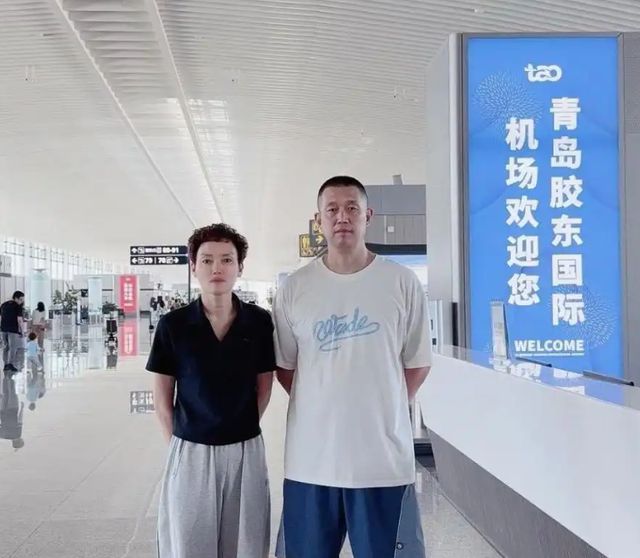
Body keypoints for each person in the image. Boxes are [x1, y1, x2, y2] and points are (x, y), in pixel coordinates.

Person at [273, 176, 433, 558]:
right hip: (311, 463)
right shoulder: (295, 288)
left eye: (351, 208)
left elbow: (417, 363)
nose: (342, 217)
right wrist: (325, 401)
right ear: (319, 220)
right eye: (332, 210)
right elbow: (286, 367)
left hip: (383, 463)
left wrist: (382, 404)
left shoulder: (401, 282)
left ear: (368, 216)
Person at [147, 223, 276, 558]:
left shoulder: (258, 322)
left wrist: (238, 425)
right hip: (190, 448)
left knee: (245, 543)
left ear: (240, 267)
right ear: (193, 266)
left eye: (226, 260)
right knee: (189, 543)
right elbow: (162, 399)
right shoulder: (174, 325)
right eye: (206, 260)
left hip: (245, 448)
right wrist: (181, 444)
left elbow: (264, 386)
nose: (216, 268)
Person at [1, 291, 25, 373]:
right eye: (20, 299)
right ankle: (10, 364)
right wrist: (22, 331)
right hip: (13, 329)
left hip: (3, 329)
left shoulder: (3, 304)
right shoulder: (18, 306)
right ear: (15, 298)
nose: (22, 301)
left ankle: (5, 364)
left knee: (6, 347)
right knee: (13, 347)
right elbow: (20, 320)